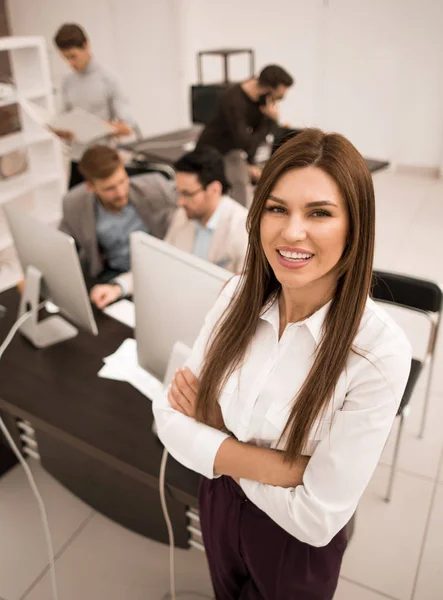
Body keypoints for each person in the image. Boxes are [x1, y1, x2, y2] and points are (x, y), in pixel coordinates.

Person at [153, 129, 412, 599]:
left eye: (319, 213)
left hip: (293, 545)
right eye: (276, 208)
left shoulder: (376, 353)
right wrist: (278, 466)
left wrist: (214, 433)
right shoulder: (236, 296)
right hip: (216, 503)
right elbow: (168, 417)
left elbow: (317, 518)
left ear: (355, 226)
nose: (292, 232)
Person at [96, 147, 249, 307]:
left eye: (187, 194)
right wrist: (118, 287)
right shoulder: (182, 216)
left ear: (214, 190)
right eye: (178, 192)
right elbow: (160, 264)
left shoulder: (244, 229)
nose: (180, 202)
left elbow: (247, 296)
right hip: (178, 305)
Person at [59, 145, 176, 309]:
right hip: (112, 274)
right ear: (90, 187)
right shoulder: (74, 203)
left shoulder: (156, 187)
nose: (121, 192)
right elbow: (60, 245)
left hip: (158, 274)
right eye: (109, 188)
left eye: (122, 181)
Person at [196, 64, 294, 206]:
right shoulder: (234, 102)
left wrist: (250, 163)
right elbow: (247, 145)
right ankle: (240, 223)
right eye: (277, 98)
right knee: (240, 186)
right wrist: (270, 120)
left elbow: (253, 141)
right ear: (268, 89)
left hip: (233, 150)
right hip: (213, 153)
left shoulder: (260, 98)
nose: (275, 103)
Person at [53, 23, 135, 188]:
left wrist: (97, 127)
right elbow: (63, 119)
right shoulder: (68, 82)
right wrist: (60, 130)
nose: (70, 63)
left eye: (73, 56)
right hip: (77, 161)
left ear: (86, 46)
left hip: (103, 161)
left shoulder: (110, 80)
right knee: (73, 208)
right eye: (65, 58)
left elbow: (127, 128)